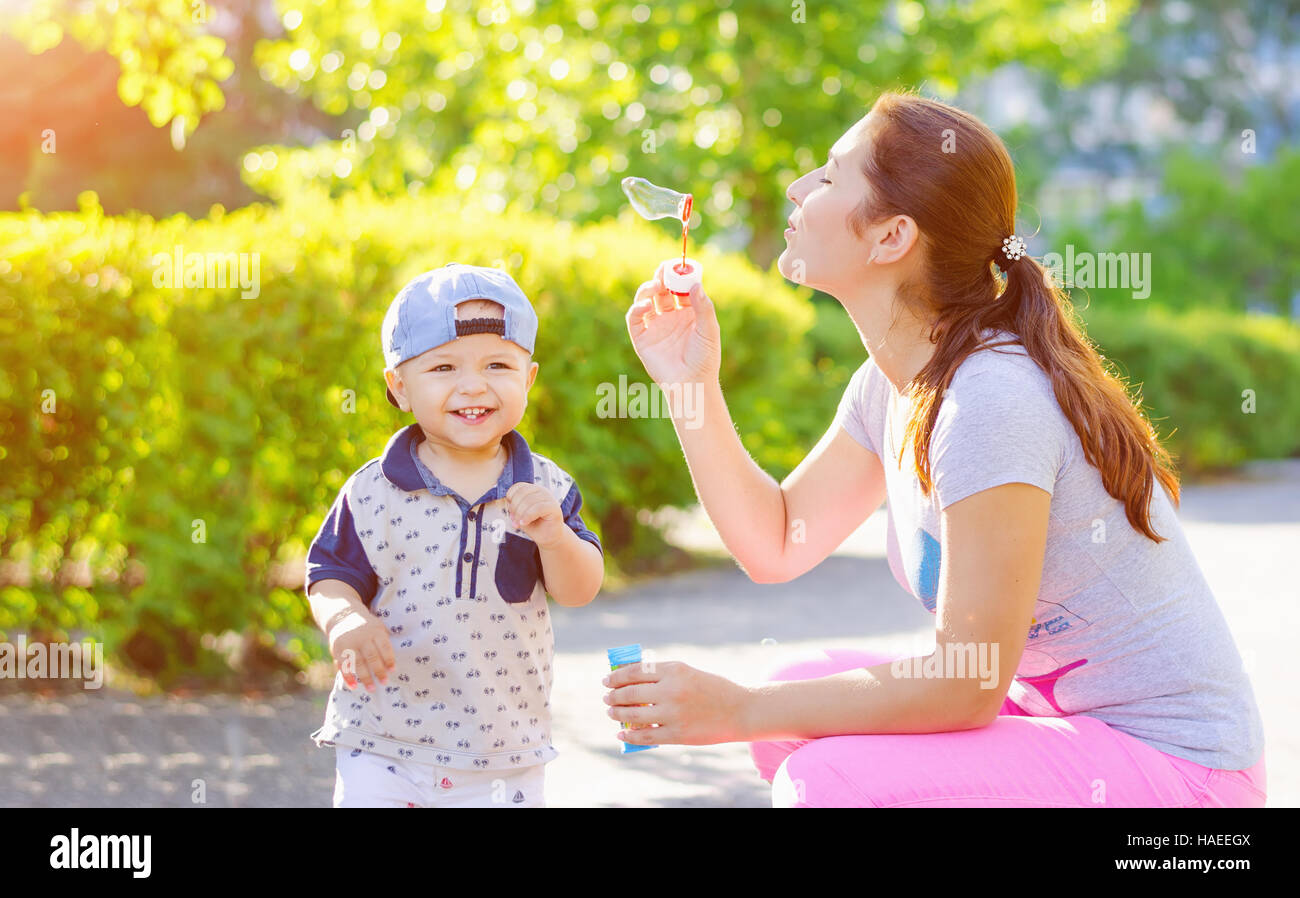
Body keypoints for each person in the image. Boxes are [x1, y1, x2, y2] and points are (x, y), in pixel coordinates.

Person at [608, 91, 1266, 808]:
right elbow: (775, 544)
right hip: (1066, 730)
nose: (797, 190)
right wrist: (687, 382)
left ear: (890, 238)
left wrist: (735, 709)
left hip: (1185, 778)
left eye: (828, 177)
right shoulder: (891, 386)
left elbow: (966, 682)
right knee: (791, 713)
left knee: (822, 781)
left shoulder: (990, 397)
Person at [305, 263, 604, 807]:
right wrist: (347, 618)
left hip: (503, 752)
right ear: (399, 386)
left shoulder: (548, 487)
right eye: (444, 367)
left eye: (498, 364)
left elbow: (579, 590)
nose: (474, 385)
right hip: (383, 741)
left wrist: (556, 539)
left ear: (528, 379)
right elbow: (328, 575)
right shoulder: (373, 491)